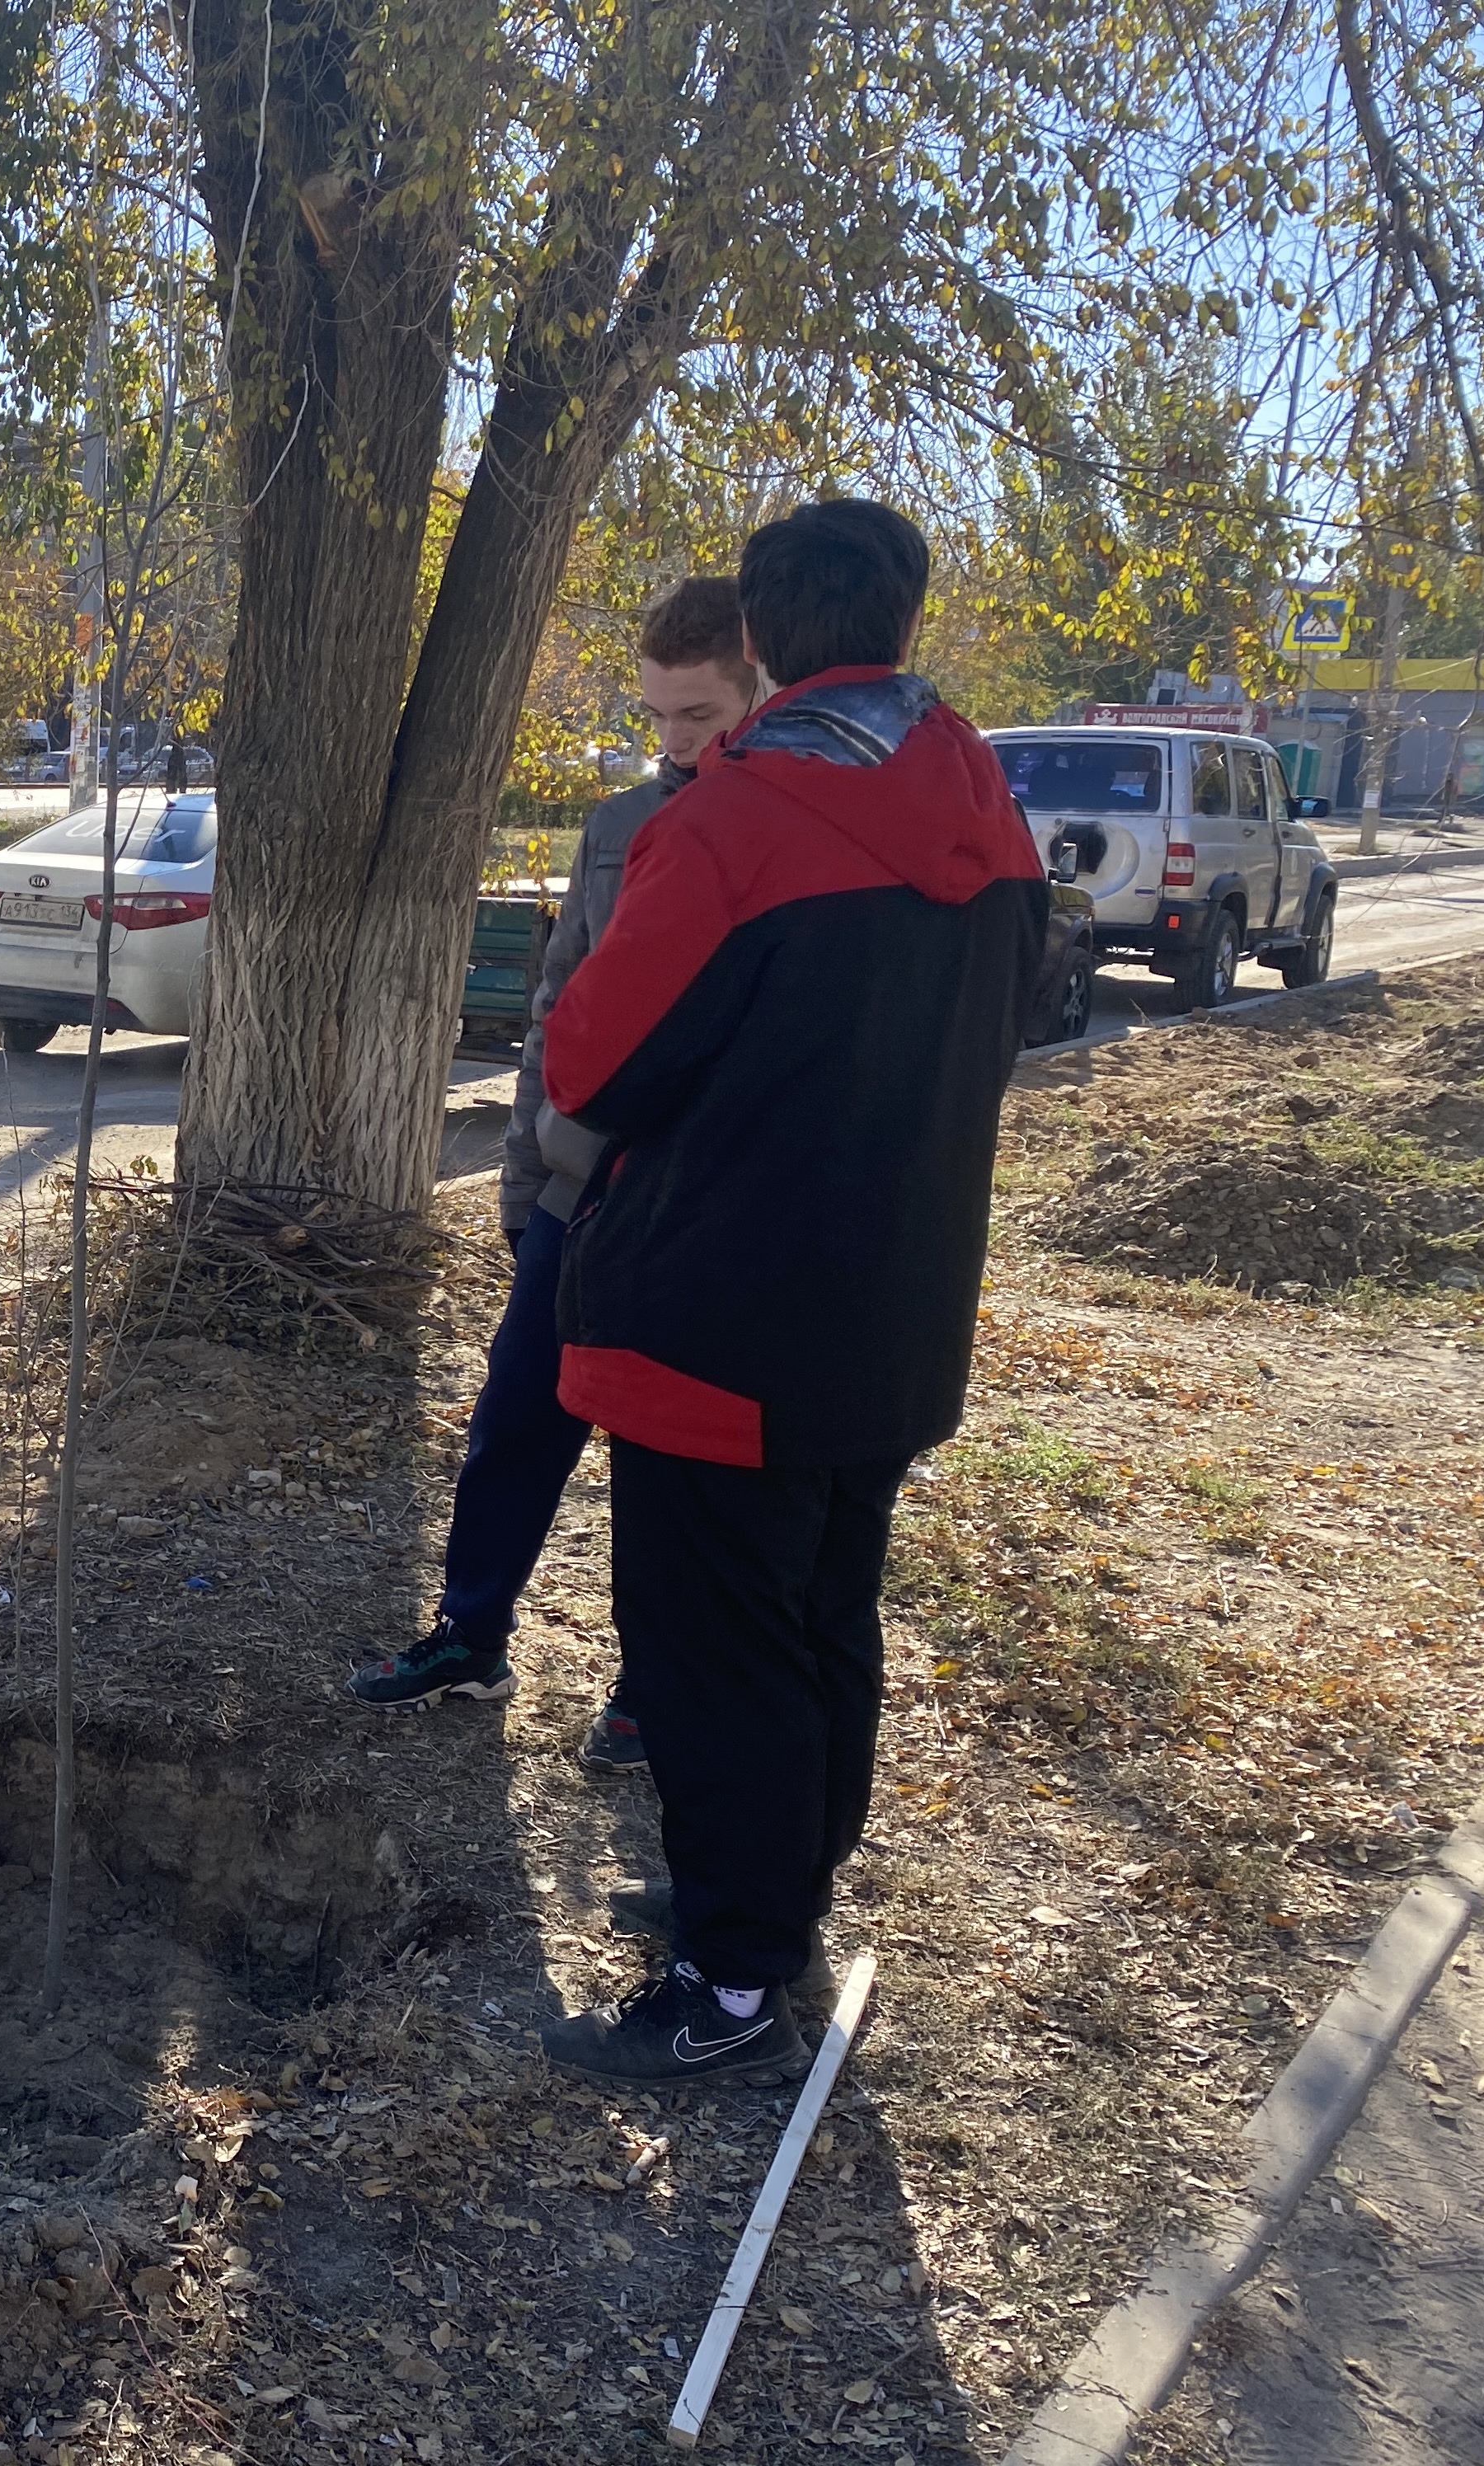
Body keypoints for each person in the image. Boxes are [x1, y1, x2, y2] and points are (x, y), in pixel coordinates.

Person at [529, 500, 1045, 2084]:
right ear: (902, 619)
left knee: (710, 1647)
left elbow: (595, 1056)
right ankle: (776, 1902)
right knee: (824, 1616)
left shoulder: (734, 817)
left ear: (759, 639)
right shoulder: (983, 796)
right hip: (890, 1307)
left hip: (717, 1314)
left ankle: (732, 1977)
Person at [351, 579, 758, 1768]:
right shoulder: (621, 827)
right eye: (660, 717)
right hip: (576, 1203)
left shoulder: (769, 839)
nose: (678, 743)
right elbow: (556, 1004)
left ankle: (650, 1686)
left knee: (660, 1455)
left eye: (699, 715)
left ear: (758, 692)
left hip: (688, 1217)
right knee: (515, 1420)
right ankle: (470, 1637)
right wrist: (527, 1181)